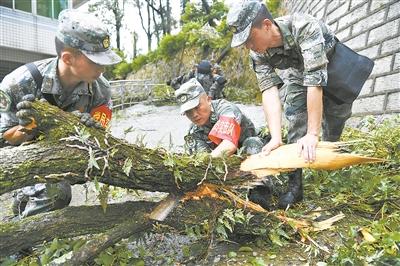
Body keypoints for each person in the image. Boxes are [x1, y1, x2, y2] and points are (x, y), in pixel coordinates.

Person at [227, 1, 354, 209]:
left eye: (249, 38)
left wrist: (313, 134)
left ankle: (331, 158)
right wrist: (276, 137)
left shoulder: (304, 26)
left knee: (335, 120)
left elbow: (315, 79)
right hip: (299, 74)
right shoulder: (258, 53)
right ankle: (296, 187)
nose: (248, 46)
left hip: (334, 68)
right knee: (295, 118)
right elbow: (268, 90)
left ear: (266, 25)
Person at [0, 9, 122, 218]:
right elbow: (5, 138)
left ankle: (27, 200)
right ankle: (24, 235)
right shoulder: (20, 83)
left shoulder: (101, 89)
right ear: (68, 58)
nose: (103, 67)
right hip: (23, 154)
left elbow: (102, 139)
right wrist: (29, 128)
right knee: (57, 193)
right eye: (96, 60)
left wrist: (91, 130)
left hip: (67, 154)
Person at [175, 78, 272, 209]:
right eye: (188, 112)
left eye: (197, 107)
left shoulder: (225, 109)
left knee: (252, 143)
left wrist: (206, 163)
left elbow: (229, 145)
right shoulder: (194, 132)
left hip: (250, 152)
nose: (194, 115)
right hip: (225, 165)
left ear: (208, 99)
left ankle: (261, 193)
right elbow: (202, 161)